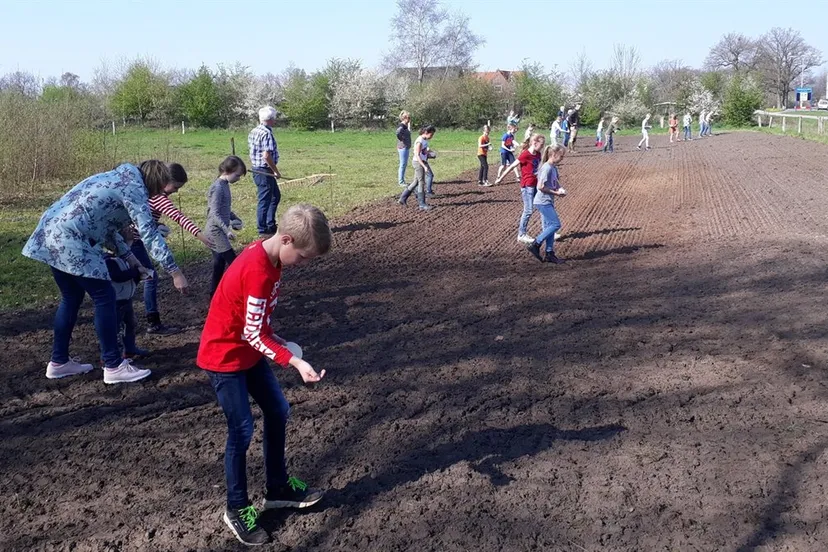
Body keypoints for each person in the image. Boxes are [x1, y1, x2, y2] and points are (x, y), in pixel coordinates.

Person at [197, 204, 332, 546]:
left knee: (278, 410)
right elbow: (253, 333)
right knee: (241, 429)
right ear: (285, 240)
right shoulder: (258, 269)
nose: (302, 264)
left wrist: (281, 341)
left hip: (248, 351)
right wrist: (296, 362)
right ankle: (237, 507)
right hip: (224, 357)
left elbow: (257, 325)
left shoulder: (272, 259)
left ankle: (278, 487)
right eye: (302, 257)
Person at [22, 161, 189, 384]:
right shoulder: (135, 189)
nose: (160, 193)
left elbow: (108, 227)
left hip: (51, 234)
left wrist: (132, 260)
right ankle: (113, 365)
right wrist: (174, 271)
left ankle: (59, 362)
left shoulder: (112, 178)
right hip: (73, 240)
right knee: (105, 298)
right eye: (161, 188)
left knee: (71, 298)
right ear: (156, 181)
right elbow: (148, 233)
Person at [133, 162, 210, 336]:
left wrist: (156, 224)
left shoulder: (147, 192)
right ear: (165, 180)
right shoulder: (159, 197)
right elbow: (179, 217)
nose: (176, 191)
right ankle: (153, 323)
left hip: (134, 240)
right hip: (134, 242)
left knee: (140, 278)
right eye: (175, 187)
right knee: (150, 277)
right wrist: (201, 235)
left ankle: (134, 319)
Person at [104, 227, 149, 362]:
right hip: (116, 300)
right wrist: (136, 272)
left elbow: (130, 276)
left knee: (130, 324)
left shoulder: (127, 258)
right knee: (115, 328)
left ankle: (130, 349)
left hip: (127, 299)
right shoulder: (109, 260)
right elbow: (117, 276)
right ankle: (114, 353)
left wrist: (141, 276)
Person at [206, 156, 247, 297]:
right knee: (234, 263)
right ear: (227, 171)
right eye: (237, 175)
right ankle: (242, 291)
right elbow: (214, 213)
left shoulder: (224, 185)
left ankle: (214, 294)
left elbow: (224, 209)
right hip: (216, 232)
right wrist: (227, 230)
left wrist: (234, 217)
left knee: (219, 263)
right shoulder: (217, 188)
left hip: (219, 230)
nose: (238, 179)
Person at [495, 133, 546, 244]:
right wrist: (501, 178)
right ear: (534, 142)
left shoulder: (538, 154)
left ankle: (547, 231)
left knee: (542, 206)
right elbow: (512, 166)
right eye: (541, 145)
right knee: (528, 210)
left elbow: (539, 168)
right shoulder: (525, 155)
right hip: (527, 186)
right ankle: (521, 234)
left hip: (536, 184)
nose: (542, 147)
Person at [527, 145, 567, 264]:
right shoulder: (546, 168)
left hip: (548, 200)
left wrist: (560, 189)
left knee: (549, 227)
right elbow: (540, 186)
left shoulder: (553, 168)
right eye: (561, 156)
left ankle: (550, 253)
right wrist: (555, 192)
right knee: (555, 224)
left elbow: (555, 182)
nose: (562, 158)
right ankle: (536, 244)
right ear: (553, 154)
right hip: (542, 201)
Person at [248, 106, 282, 238]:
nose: (275, 121)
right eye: (274, 119)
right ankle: (263, 230)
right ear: (270, 119)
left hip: (257, 170)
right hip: (264, 171)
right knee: (265, 200)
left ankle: (270, 224)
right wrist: (275, 171)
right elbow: (266, 156)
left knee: (275, 196)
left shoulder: (254, 131)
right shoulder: (267, 133)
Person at [399, 125, 435, 211]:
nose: (432, 136)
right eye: (431, 134)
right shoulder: (419, 141)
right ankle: (422, 204)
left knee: (415, 182)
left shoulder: (424, 140)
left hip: (422, 162)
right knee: (421, 182)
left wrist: (429, 154)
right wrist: (424, 166)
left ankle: (402, 199)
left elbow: (423, 152)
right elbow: (417, 155)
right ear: (426, 132)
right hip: (418, 163)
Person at [396, 111, 412, 187]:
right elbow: (398, 133)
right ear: (405, 118)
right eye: (409, 118)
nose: (410, 119)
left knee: (404, 164)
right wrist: (402, 139)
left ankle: (402, 180)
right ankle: (401, 181)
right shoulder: (401, 126)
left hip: (405, 147)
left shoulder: (405, 126)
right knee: (403, 164)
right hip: (403, 147)